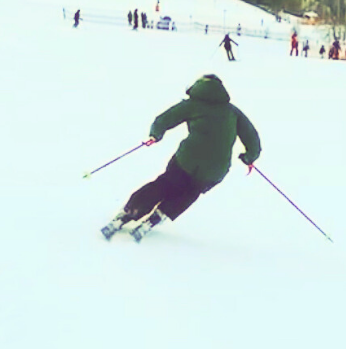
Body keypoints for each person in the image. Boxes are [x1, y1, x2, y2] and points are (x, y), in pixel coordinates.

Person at [102, 74, 261, 242]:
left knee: (166, 183)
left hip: (188, 159)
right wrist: (250, 157)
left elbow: (164, 119)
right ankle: (159, 216)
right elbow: (252, 137)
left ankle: (131, 211)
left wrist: (155, 135)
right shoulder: (232, 111)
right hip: (216, 170)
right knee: (191, 192)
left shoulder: (192, 105)